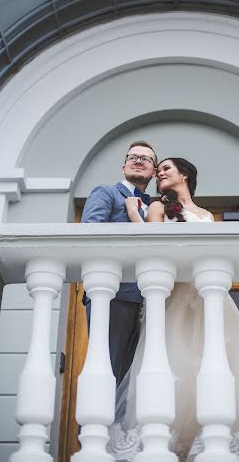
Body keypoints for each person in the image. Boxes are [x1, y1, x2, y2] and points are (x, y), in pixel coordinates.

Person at [109, 158, 239, 462]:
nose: (160, 173)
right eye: (158, 169)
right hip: (174, 301)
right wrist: (134, 214)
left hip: (209, 300)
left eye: (166, 168)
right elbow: (151, 247)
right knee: (174, 368)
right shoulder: (158, 208)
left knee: (219, 366)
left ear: (185, 174)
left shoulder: (206, 215)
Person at [81, 140, 157, 385]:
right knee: (106, 370)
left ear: (154, 171)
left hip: (145, 300)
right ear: (123, 167)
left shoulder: (153, 207)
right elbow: (89, 234)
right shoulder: (106, 192)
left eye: (146, 159)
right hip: (113, 295)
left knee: (129, 378)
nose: (138, 160)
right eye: (133, 156)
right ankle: (93, 425)